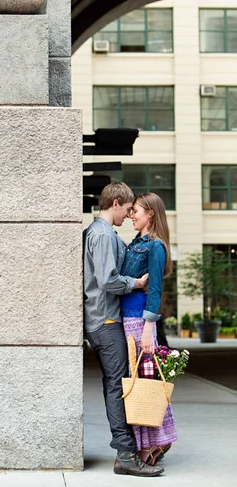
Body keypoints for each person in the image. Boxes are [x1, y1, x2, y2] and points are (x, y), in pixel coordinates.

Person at [83, 182, 164, 477]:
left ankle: (129, 451)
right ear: (116, 203)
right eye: (128, 208)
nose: (129, 214)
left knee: (116, 384)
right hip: (105, 321)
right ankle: (126, 455)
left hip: (104, 318)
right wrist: (137, 284)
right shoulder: (102, 235)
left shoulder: (102, 233)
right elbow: (108, 280)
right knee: (117, 386)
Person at [121, 192, 177, 466]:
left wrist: (147, 329)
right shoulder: (136, 243)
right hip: (127, 319)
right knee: (137, 383)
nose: (131, 215)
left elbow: (155, 290)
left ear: (150, 214)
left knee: (144, 384)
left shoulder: (155, 247)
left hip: (139, 322)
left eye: (136, 211)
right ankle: (152, 442)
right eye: (130, 211)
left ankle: (152, 443)